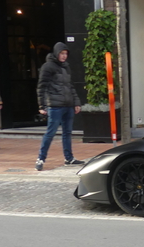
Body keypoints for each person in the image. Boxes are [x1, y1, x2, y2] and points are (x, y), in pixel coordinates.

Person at [35, 42, 83, 171]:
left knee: (67, 133)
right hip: (55, 105)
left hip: (68, 105)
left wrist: (76, 102)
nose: (64, 56)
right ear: (56, 53)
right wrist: (42, 105)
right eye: (62, 53)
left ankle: (69, 158)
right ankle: (40, 158)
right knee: (50, 133)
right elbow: (41, 86)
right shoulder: (48, 67)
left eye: (66, 54)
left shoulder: (66, 67)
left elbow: (70, 86)